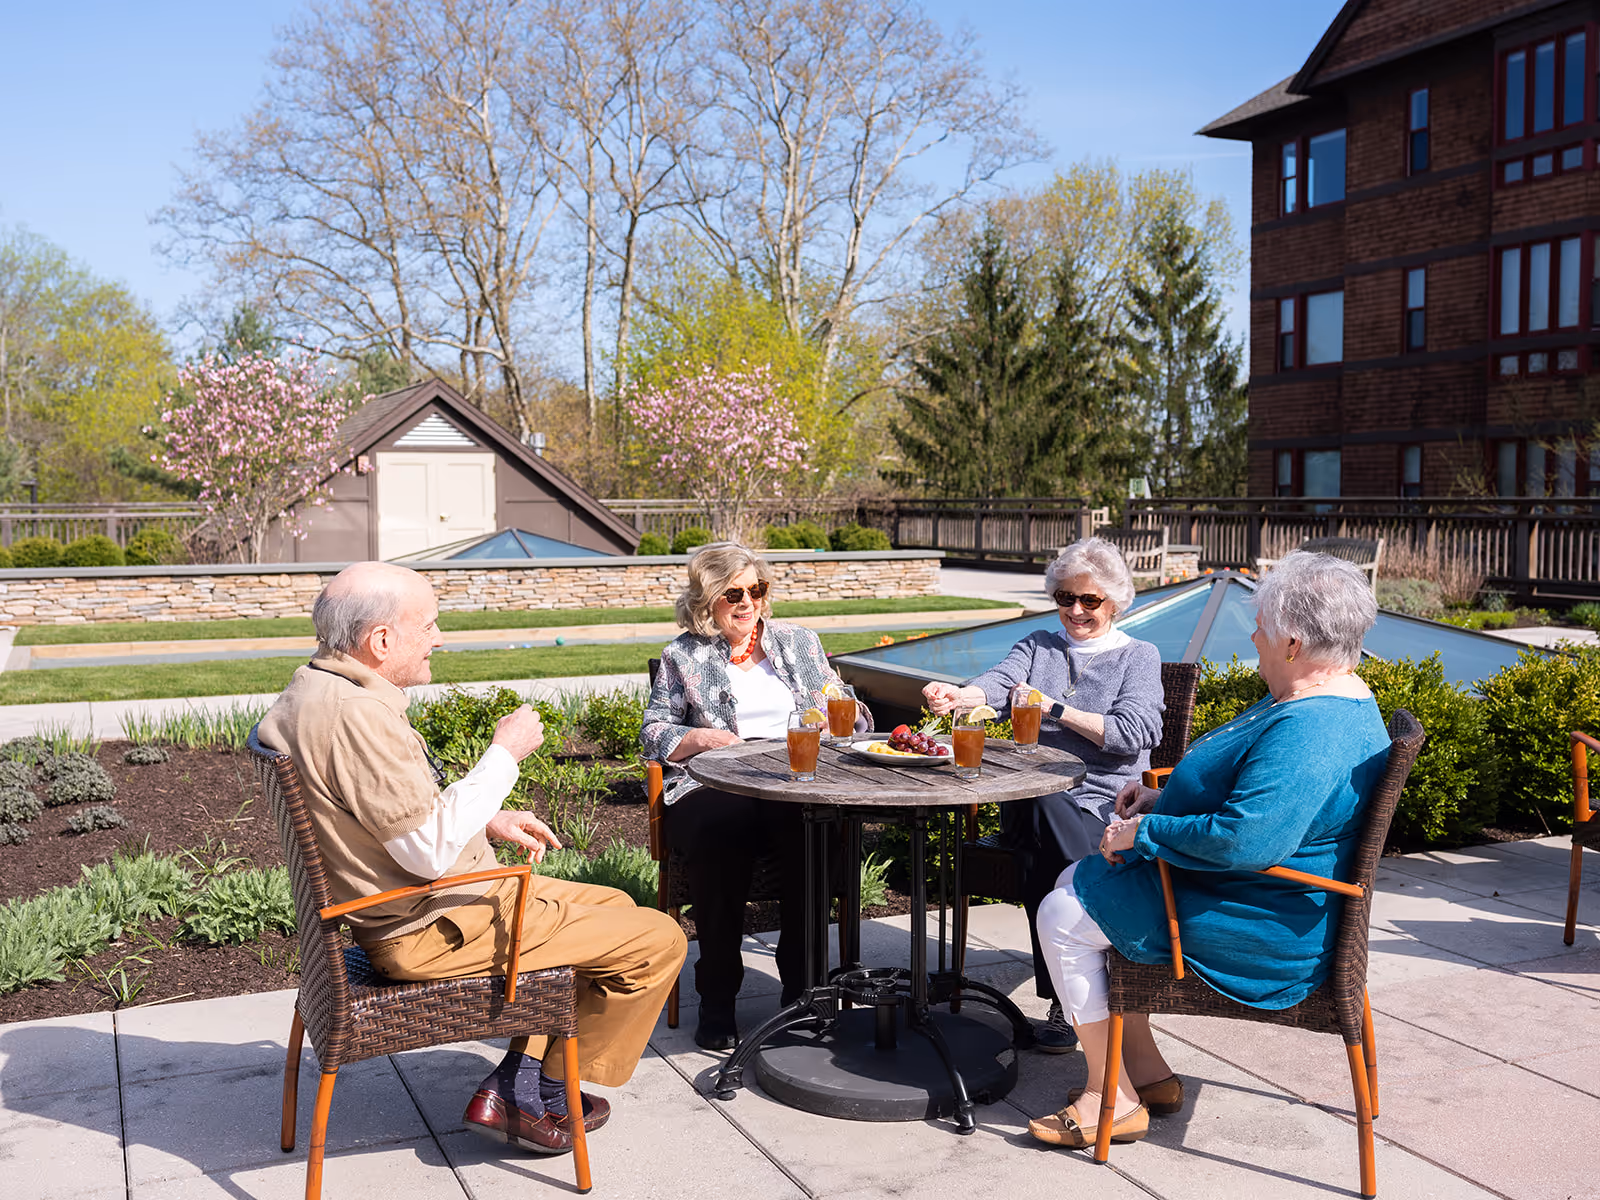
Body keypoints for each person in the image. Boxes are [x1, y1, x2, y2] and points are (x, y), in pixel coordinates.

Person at [258, 561, 686, 1157]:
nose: (440, 638)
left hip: (422, 906)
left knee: (613, 905)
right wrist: (503, 755)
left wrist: (486, 819)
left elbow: (373, 810)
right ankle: (544, 1089)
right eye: (429, 625)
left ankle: (519, 1078)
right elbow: (428, 852)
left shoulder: (316, 690)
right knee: (658, 940)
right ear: (381, 641)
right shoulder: (356, 717)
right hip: (428, 926)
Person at [1027, 551, 1391, 1149]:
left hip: (1259, 917)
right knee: (1074, 881)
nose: (1254, 637)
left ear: (1294, 643)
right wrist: (1159, 800)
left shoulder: (1312, 728)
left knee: (1063, 916)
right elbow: (1248, 802)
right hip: (1252, 891)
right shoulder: (1324, 699)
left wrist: (1146, 833)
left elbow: (1245, 839)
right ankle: (1147, 1074)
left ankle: (1111, 1098)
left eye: (1263, 629)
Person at [922, 536, 1163, 1052]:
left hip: (1106, 803)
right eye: (1065, 598)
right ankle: (1074, 987)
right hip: (1035, 800)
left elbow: (1132, 733)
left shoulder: (1139, 657)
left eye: (1089, 600)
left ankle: (1065, 993)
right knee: (1040, 801)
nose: (1075, 610)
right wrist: (957, 694)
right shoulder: (1037, 646)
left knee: (1041, 833)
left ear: (1115, 601)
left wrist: (1053, 709)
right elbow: (996, 683)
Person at [642, 542, 871, 1051]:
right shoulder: (685, 654)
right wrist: (699, 739)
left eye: (756, 589)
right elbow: (653, 730)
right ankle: (718, 997)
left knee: (813, 828)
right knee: (721, 828)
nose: (747, 602)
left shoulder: (800, 642)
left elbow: (848, 708)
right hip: (713, 782)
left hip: (794, 778)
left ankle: (804, 993)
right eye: (733, 594)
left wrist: (849, 714)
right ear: (707, 601)